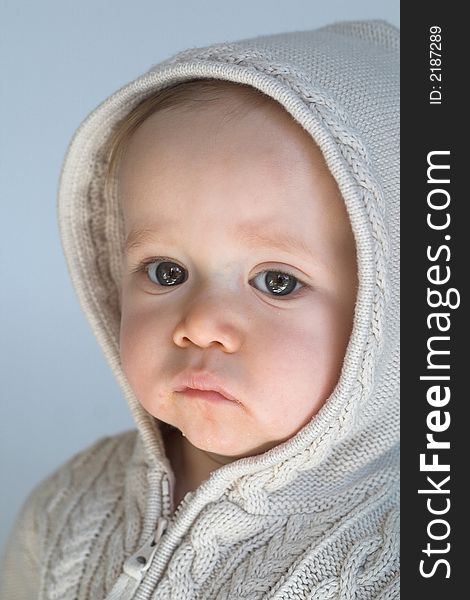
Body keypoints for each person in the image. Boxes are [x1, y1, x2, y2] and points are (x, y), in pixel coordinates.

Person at [0, 19, 399, 600]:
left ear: (386, 319)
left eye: (277, 282)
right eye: (167, 272)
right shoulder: (66, 506)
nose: (201, 325)